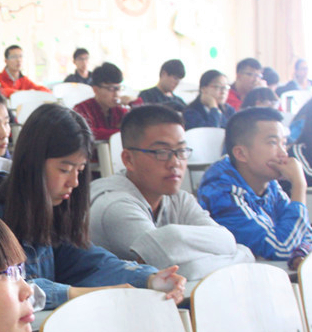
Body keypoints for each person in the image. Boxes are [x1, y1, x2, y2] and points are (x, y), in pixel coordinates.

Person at [0, 104, 186, 310]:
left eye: (80, 170)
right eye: (65, 169)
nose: (74, 182)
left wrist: (151, 279)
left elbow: (90, 263)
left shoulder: (50, 211)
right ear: (32, 163)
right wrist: (75, 294)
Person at [89, 105, 254, 281]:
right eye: (162, 152)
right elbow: (174, 274)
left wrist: (173, 237)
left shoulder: (179, 198)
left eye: (181, 151)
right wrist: (241, 256)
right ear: (128, 159)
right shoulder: (114, 206)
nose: (175, 162)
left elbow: (227, 241)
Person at [197, 107, 312, 268]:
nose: (283, 153)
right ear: (241, 154)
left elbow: (307, 234)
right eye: (272, 143)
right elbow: (282, 249)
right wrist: (299, 186)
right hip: (234, 278)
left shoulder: (268, 181)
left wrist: (299, 253)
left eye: (284, 143)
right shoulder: (221, 191)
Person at [73, 62, 133, 141]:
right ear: (95, 90)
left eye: (118, 88)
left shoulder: (120, 110)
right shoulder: (81, 109)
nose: (116, 94)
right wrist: (122, 132)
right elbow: (88, 133)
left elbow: (138, 128)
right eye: (111, 89)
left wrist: (133, 103)